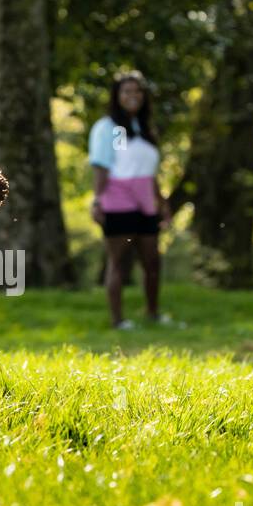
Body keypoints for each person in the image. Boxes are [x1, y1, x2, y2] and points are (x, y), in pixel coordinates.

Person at [89, 71, 172, 329]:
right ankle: (118, 320)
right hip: (118, 200)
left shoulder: (146, 128)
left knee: (152, 260)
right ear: (117, 96)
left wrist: (162, 201)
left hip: (145, 200)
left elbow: (148, 171)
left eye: (137, 91)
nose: (132, 96)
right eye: (126, 91)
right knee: (118, 262)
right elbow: (103, 167)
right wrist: (97, 200)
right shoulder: (110, 129)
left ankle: (153, 312)